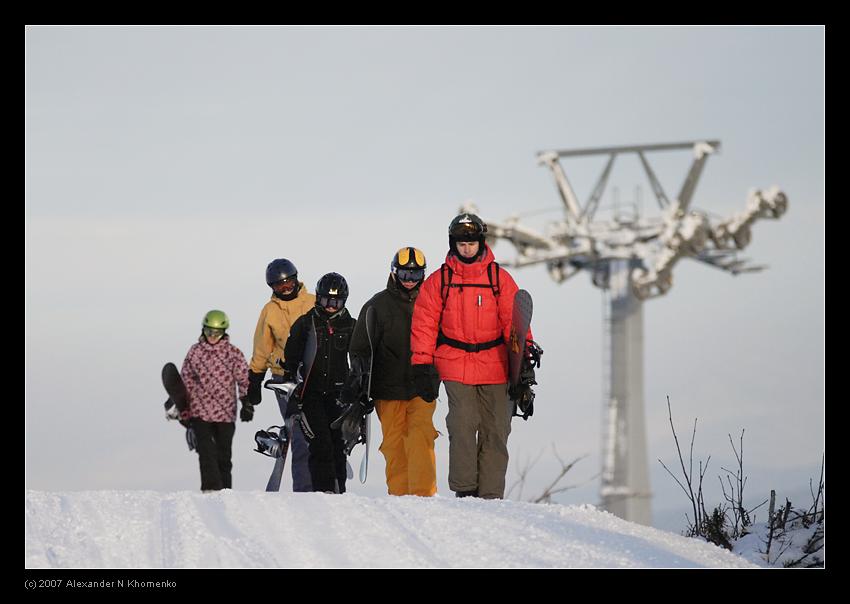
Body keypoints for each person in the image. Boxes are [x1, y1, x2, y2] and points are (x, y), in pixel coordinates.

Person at [410, 213, 533, 500]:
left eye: (472, 242)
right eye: (461, 243)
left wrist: (524, 364)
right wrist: (421, 364)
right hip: (454, 360)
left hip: (496, 363)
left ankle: (490, 495)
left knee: (497, 430)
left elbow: (515, 323)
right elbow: (424, 324)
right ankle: (465, 491)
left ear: (481, 242)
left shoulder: (499, 279)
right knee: (462, 425)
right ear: (453, 244)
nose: (467, 248)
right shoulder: (439, 281)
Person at [337, 247, 439, 497]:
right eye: (404, 273)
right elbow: (359, 348)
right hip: (387, 389)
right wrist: (359, 381)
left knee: (420, 437)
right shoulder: (376, 306)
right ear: (393, 272)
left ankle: (424, 495)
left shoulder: (434, 303)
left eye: (415, 274)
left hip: (422, 387)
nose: (410, 280)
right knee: (394, 444)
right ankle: (401, 496)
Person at [282, 273, 356, 494]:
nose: (331, 306)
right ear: (318, 298)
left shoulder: (352, 326)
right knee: (320, 445)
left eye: (336, 302)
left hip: (339, 397)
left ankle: (339, 491)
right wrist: (292, 393)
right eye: (326, 301)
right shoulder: (305, 324)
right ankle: (323, 493)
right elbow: (291, 361)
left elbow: (362, 361)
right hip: (310, 396)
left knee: (338, 446)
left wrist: (359, 393)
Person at [247, 259, 316, 492]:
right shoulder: (270, 311)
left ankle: (328, 485)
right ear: (272, 288)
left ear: (296, 279)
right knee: (300, 436)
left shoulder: (314, 302)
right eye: (279, 285)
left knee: (319, 431)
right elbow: (262, 348)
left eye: (288, 282)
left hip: (315, 375)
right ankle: (305, 491)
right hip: (284, 378)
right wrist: (254, 380)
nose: (285, 287)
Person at [180, 310, 251, 492]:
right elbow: (186, 379)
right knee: (206, 452)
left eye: (216, 333)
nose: (212, 336)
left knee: (223, 456)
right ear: (203, 330)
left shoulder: (232, 353)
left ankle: (225, 491)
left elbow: (244, 378)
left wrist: (246, 402)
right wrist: (183, 407)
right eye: (209, 331)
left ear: (224, 332)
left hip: (225, 413)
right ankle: (210, 489)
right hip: (200, 411)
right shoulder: (195, 352)